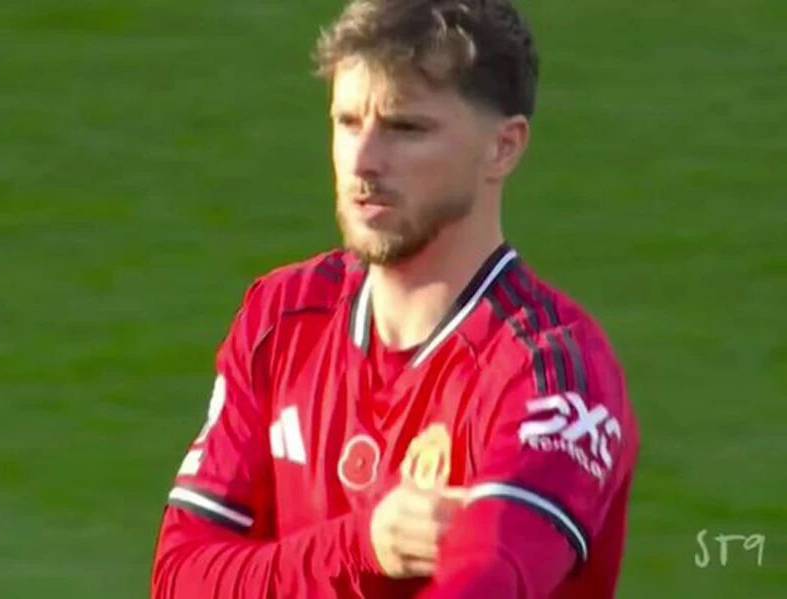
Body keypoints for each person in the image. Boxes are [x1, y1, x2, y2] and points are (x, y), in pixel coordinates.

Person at [152, 1, 639, 597]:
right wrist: (364, 546)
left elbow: (491, 578)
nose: (363, 162)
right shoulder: (283, 317)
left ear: (503, 148)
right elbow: (180, 577)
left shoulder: (553, 377)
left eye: (405, 128)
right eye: (347, 122)